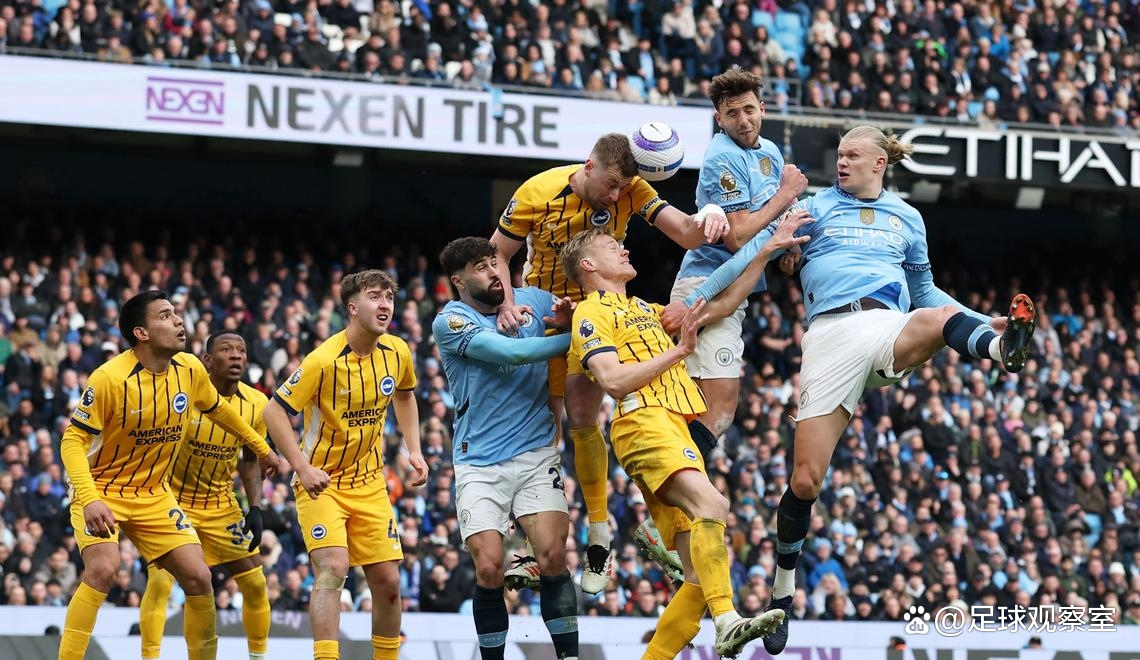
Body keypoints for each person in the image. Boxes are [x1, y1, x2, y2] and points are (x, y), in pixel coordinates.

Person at [666, 125, 1038, 655]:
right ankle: (783, 596)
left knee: (935, 317)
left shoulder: (907, 218)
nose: (841, 163)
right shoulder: (815, 208)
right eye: (839, 155)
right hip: (830, 336)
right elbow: (755, 249)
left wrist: (987, 321)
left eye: (852, 156)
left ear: (879, 164)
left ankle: (999, 351)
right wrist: (699, 296)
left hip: (889, 326)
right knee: (805, 482)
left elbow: (926, 290)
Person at [559, 218, 809, 659]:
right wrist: (678, 352)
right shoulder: (591, 312)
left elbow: (728, 301)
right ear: (587, 264)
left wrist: (768, 247)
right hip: (644, 422)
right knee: (714, 505)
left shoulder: (648, 311)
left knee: (697, 579)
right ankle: (728, 622)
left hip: (673, 426)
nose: (624, 249)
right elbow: (614, 381)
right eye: (610, 245)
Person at [492, 132, 730, 593]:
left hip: (603, 312)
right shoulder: (536, 192)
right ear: (588, 165)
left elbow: (684, 232)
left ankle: (598, 536)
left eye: (626, 187)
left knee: (584, 418)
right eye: (613, 185)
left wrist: (713, 215)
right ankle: (534, 541)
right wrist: (505, 304)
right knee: (544, 429)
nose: (618, 196)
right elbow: (499, 252)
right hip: (542, 309)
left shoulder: (635, 190)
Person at [58, 290, 278, 660]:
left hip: (155, 494)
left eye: (176, 313)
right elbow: (71, 441)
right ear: (141, 333)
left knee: (199, 578)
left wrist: (261, 447)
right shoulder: (109, 378)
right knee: (103, 570)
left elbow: (219, 412)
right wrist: (90, 498)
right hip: (103, 488)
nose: (179, 320)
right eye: (165, 315)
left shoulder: (190, 369)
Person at [263, 269, 428, 660]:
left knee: (388, 582)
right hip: (323, 483)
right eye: (375, 296)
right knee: (333, 568)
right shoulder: (323, 359)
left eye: (389, 297)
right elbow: (273, 412)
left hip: (370, 483)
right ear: (352, 308)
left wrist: (414, 448)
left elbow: (405, 397)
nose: (385, 303)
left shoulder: (398, 351)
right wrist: (302, 468)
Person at [432, 237, 579, 660]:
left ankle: (569, 657)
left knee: (552, 556)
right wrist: (573, 339)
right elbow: (512, 355)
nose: (494, 273)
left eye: (494, 263)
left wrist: (573, 320)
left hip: (535, 452)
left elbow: (587, 314)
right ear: (458, 282)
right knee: (491, 567)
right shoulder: (452, 321)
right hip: (478, 462)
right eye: (480, 268)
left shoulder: (534, 300)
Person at [669, 67, 808, 454]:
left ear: (762, 108)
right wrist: (785, 195)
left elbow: (775, 218)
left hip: (735, 286)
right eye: (732, 114)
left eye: (748, 109)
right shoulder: (721, 157)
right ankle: (677, 497)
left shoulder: (770, 151)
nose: (743, 120)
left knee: (712, 406)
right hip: (705, 281)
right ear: (719, 119)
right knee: (718, 407)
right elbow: (738, 236)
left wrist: (788, 250)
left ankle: (677, 500)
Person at [139, 330, 272, 660]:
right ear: (207, 361)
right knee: (160, 585)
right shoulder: (184, 394)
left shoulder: (257, 404)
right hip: (173, 503)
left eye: (241, 350)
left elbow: (251, 459)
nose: (236, 356)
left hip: (221, 506)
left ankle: (258, 657)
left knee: (255, 584)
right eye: (226, 350)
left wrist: (255, 507)